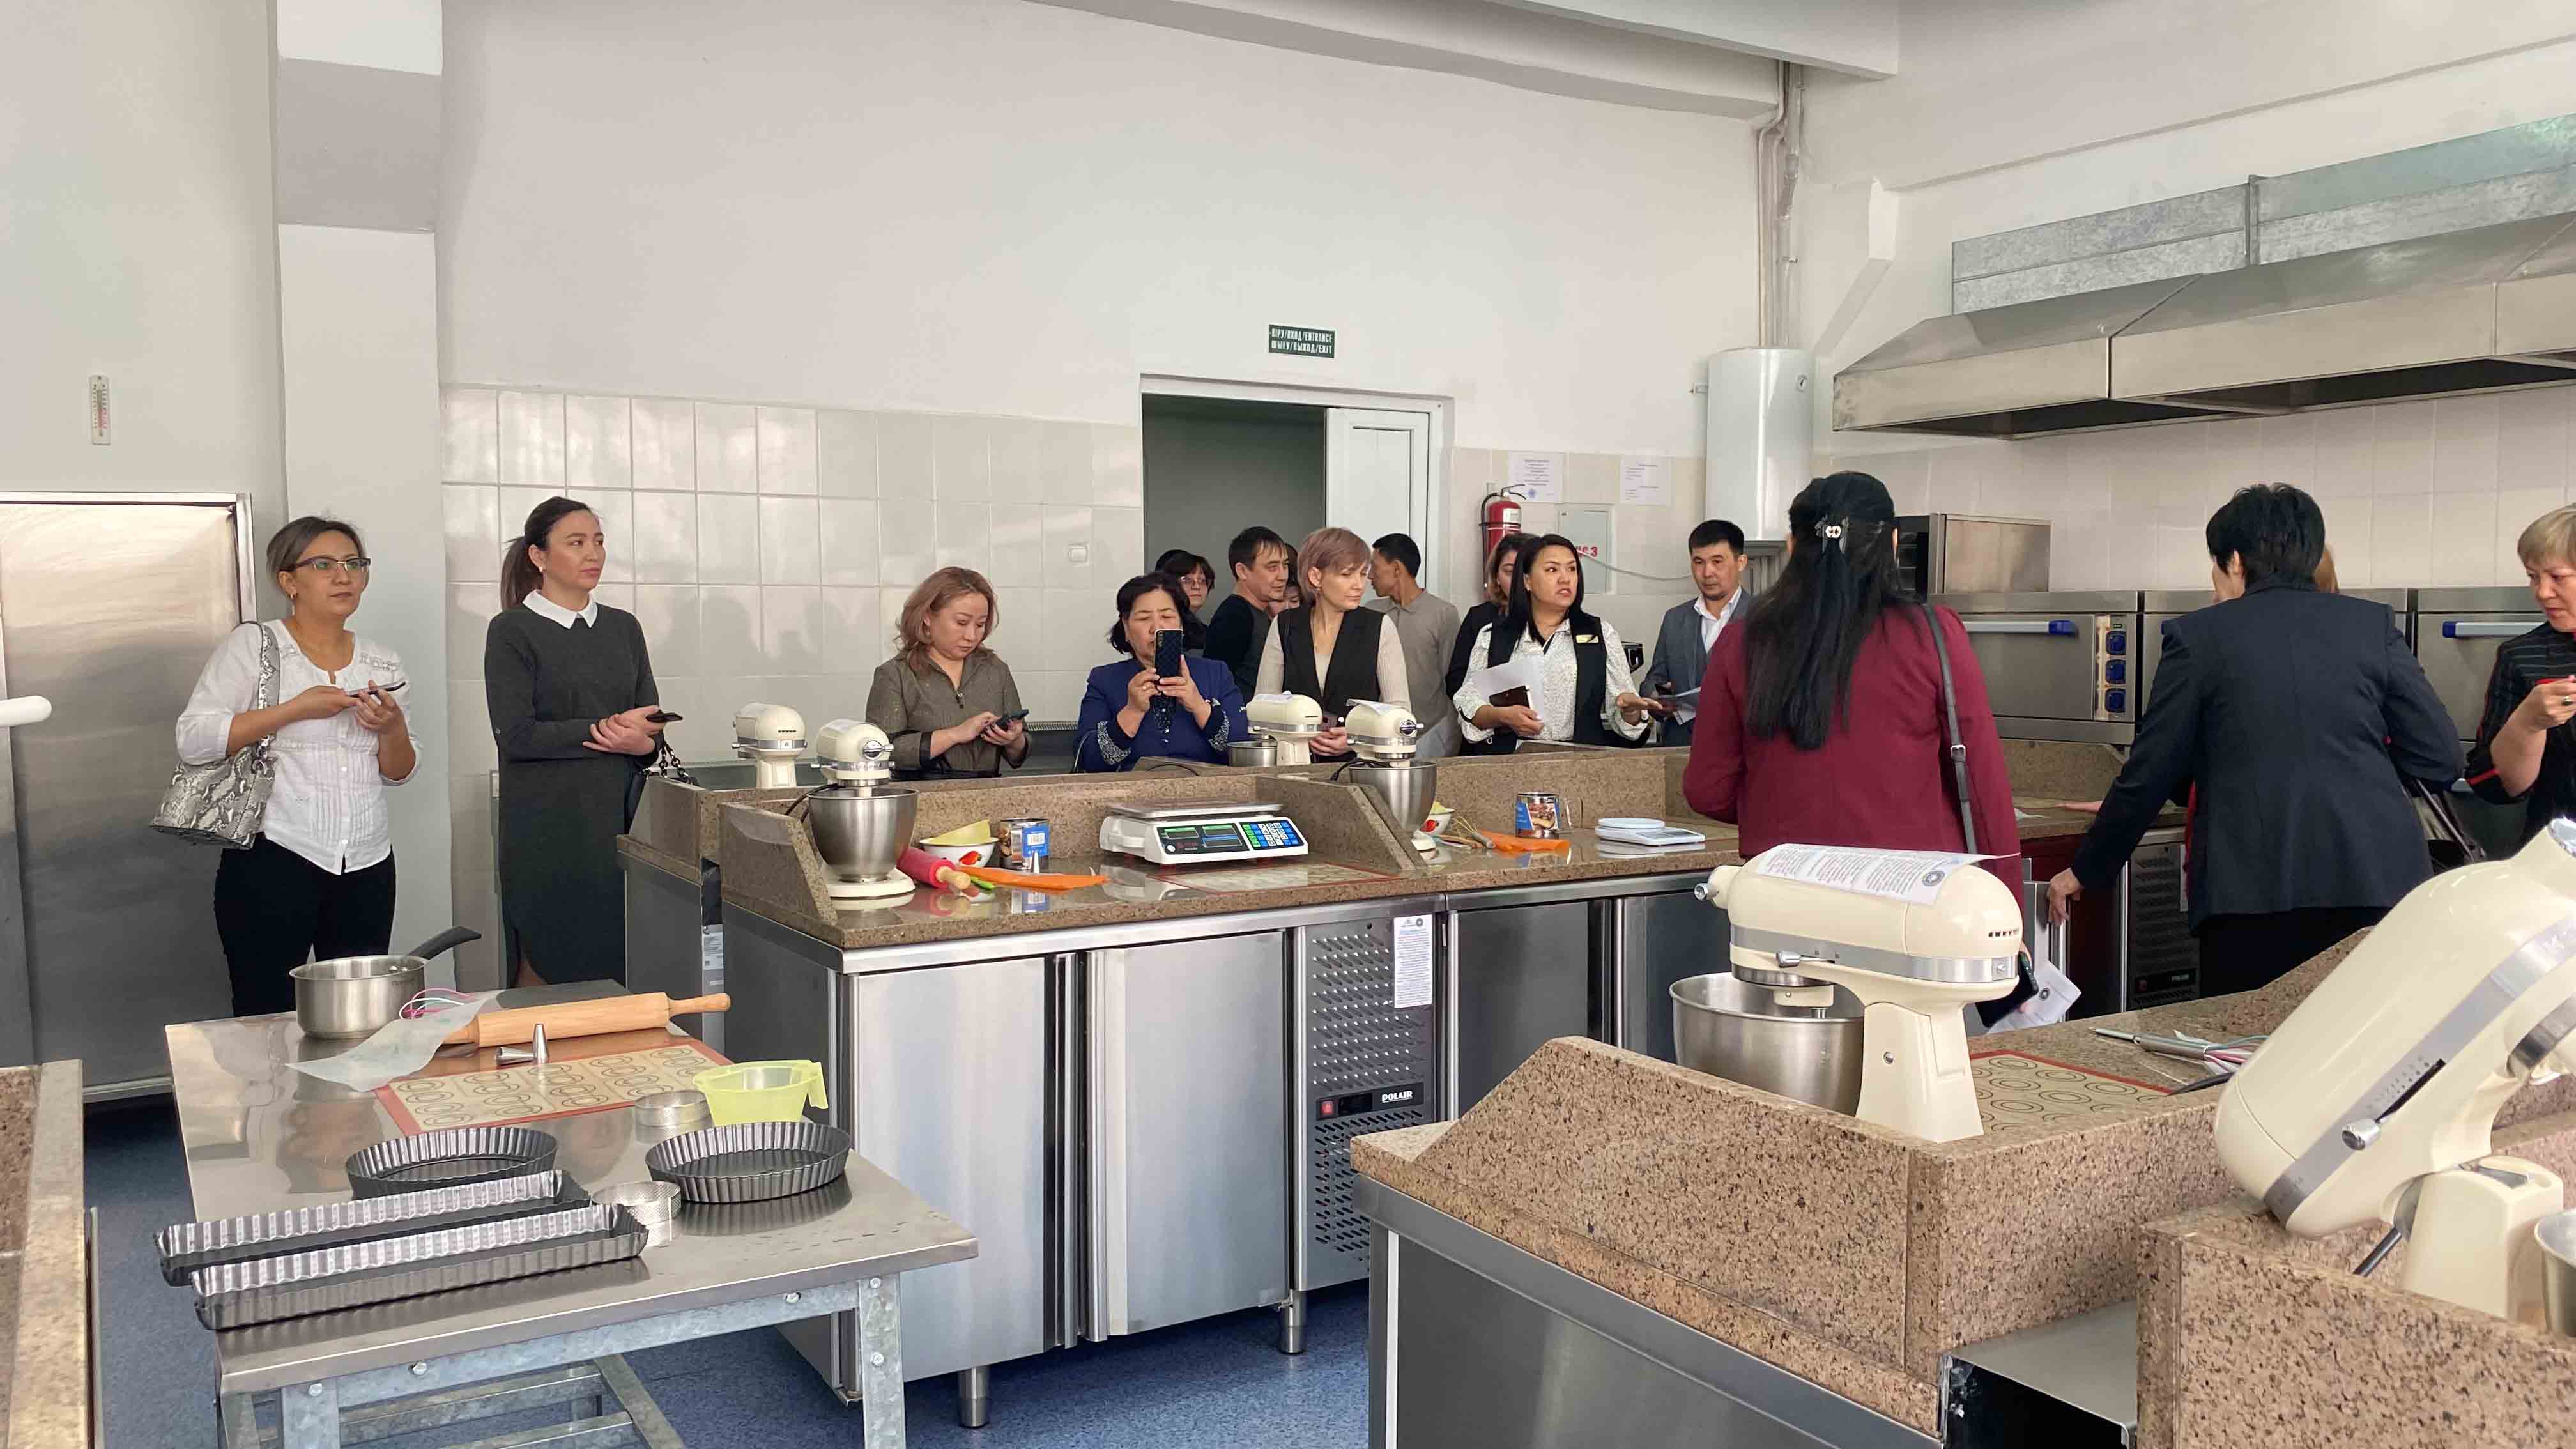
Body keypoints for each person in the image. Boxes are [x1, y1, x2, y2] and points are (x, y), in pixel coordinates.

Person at [2048, 484, 2460, 997]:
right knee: (2368, 1041)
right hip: (2378, 883)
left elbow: (2151, 769)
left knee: (2249, 1041)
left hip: (2252, 895)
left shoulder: (2200, 637)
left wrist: (2086, 869)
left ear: (2236, 562)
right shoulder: (2370, 625)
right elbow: (2440, 758)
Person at [1684, 473, 2018, 875]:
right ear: (1892, 543)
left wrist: (1781, 806)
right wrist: (2007, 901)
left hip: (1782, 883)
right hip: (1907, 886)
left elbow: (1707, 790)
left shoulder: (1741, 642)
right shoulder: (1933, 634)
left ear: (1792, 547)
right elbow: (1983, 790)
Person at [180, 516, 417, 1017]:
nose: (344, 576)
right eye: (324, 565)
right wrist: (295, 709)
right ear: (289, 581)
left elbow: (399, 772)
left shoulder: (383, 662)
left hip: (368, 862)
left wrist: (392, 729)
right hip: (274, 857)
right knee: (265, 1015)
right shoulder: (255, 646)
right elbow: (194, 739)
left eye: (354, 564)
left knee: (361, 1017)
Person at [486, 496, 661, 986]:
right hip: (546, 832)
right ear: (538, 556)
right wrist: (605, 729)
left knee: (617, 971)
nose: (594, 554)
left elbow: (649, 723)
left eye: (598, 542)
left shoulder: (624, 627)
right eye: (577, 543)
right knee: (545, 965)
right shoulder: (512, 630)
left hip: (619, 828)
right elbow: (515, 735)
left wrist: (642, 745)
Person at [1454, 535, 1652, 751]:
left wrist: (1631, 710)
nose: (1566, 579)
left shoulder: (1600, 634)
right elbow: (1470, 706)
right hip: (1511, 761)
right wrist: (1501, 716)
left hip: (1580, 762)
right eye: (1552, 570)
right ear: (1527, 581)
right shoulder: (1494, 636)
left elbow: (1627, 719)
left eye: (1572, 569)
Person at [2467, 504, 2576, 845]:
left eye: (2558, 577)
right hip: (2558, 856)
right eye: (2533, 576)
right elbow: (2492, 787)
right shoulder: (2523, 656)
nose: (2542, 592)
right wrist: (2528, 722)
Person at [1255, 526, 1410, 760]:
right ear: (1316, 577)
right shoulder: (1285, 625)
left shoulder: (1378, 626)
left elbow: (1400, 713)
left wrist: (1357, 737)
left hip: (1360, 766)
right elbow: (1263, 707)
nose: (1359, 585)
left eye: (1362, 574)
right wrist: (1300, 732)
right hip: (1295, 765)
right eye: (1347, 575)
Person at [867, 566, 1029, 781]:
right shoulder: (894, 675)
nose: (972, 636)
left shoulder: (995, 670)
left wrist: (1014, 740)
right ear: (927, 617)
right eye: (961, 623)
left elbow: (1019, 755)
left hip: (988, 793)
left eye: (980, 624)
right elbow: (880, 752)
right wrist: (955, 735)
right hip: (922, 795)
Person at [1077, 572, 1250, 770]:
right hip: (1131, 788)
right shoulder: (1104, 680)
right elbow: (1088, 761)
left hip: (1207, 788)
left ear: (1181, 624)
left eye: (1167, 616)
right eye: (1144, 618)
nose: (1156, 628)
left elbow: (1242, 752)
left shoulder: (1216, 673)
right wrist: (1132, 711)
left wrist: (1199, 706)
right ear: (1126, 627)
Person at [1642, 519, 1754, 748]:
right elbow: (1655, 679)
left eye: (1717, 562)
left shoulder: (1765, 618)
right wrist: (1659, 697)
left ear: (1741, 562)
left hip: (1745, 749)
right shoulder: (1675, 619)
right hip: (1683, 748)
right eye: (1699, 562)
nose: (1707, 572)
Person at [1365, 532, 1464, 758]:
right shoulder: (1371, 612)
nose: (1370, 575)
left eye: (1375, 567)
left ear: (1397, 569)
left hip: (1431, 732)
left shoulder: (1443, 614)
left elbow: (1454, 679)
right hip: (1379, 731)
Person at [1444, 530, 1533, 709]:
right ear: (1496, 576)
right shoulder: (1481, 620)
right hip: (1490, 719)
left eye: (1525, 572)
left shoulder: (1557, 618)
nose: (1518, 581)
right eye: (1510, 572)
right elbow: (1456, 682)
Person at [1204, 526, 1291, 693]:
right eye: (1272, 567)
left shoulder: (1260, 613)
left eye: (1285, 565)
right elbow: (1213, 687)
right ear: (1243, 571)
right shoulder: (1234, 616)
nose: (1283, 576)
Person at [1153, 548, 1216, 651]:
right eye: (1187, 580)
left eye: (1202, 580)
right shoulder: (1159, 627)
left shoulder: (1207, 633)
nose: (1197, 586)